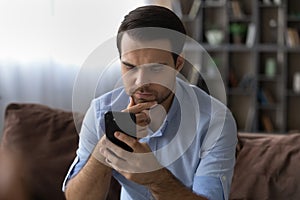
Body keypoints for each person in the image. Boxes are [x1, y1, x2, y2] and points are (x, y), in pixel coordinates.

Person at [63, 5, 237, 200]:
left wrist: (156, 179)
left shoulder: (214, 120)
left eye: (155, 69)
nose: (140, 83)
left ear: (177, 65)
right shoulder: (101, 111)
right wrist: (107, 145)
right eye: (129, 66)